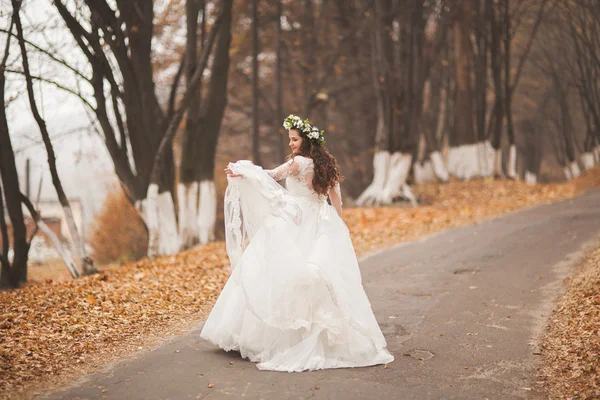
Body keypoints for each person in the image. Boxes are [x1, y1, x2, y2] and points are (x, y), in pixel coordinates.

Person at [200, 115, 394, 372]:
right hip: (320, 219)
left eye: (294, 139)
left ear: (305, 140)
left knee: (276, 270)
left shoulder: (298, 163)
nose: (290, 143)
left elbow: (270, 177)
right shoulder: (326, 165)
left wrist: (242, 173)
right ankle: (322, 333)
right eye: (290, 139)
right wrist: (337, 225)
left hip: (296, 218)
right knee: (321, 277)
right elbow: (336, 200)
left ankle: (268, 336)